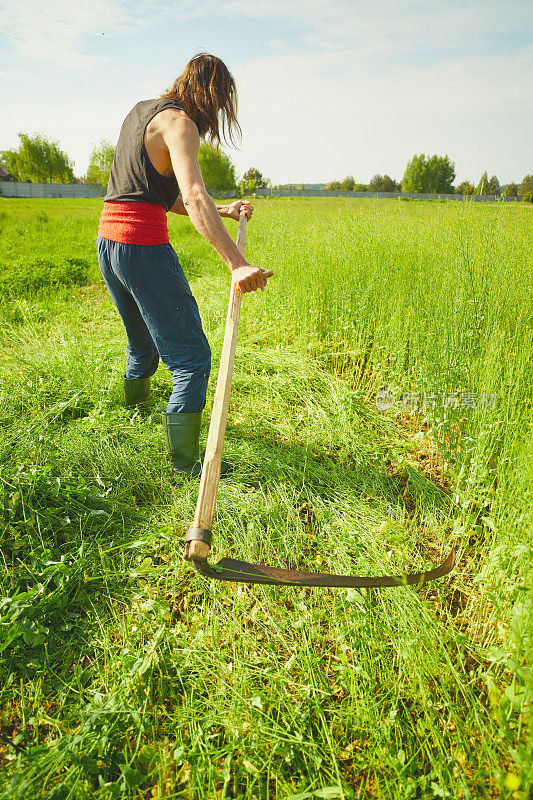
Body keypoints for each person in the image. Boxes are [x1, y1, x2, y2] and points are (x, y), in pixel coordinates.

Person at [96, 53, 271, 476]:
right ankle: (185, 463)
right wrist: (236, 263)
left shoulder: (142, 114)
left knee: (143, 345)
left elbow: (152, 192)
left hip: (109, 243)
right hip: (142, 247)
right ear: (213, 95)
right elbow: (192, 195)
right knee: (192, 358)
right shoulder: (182, 124)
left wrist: (224, 209)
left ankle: (133, 416)